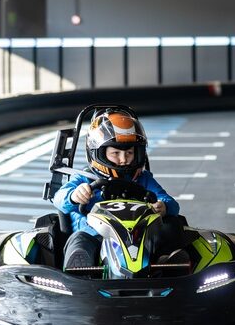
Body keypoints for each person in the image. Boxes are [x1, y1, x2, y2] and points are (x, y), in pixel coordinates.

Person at [52, 109, 179, 270]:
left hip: (137, 239)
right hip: (95, 238)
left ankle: (167, 261)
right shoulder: (84, 178)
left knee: (172, 223)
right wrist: (74, 196)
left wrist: (164, 206)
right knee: (80, 241)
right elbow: (58, 198)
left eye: (129, 153)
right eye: (115, 153)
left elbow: (172, 204)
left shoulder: (143, 178)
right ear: (99, 153)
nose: (123, 159)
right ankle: (79, 270)